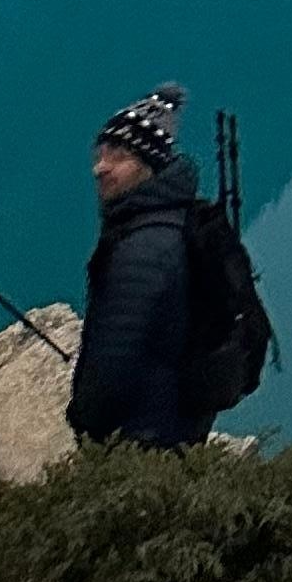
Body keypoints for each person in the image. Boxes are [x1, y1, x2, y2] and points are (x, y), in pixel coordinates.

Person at [68, 82, 206, 453]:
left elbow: (113, 357)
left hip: (141, 438)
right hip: (176, 424)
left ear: (149, 166)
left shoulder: (142, 252)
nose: (101, 167)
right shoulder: (175, 219)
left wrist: (85, 424)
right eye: (101, 152)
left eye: (119, 156)